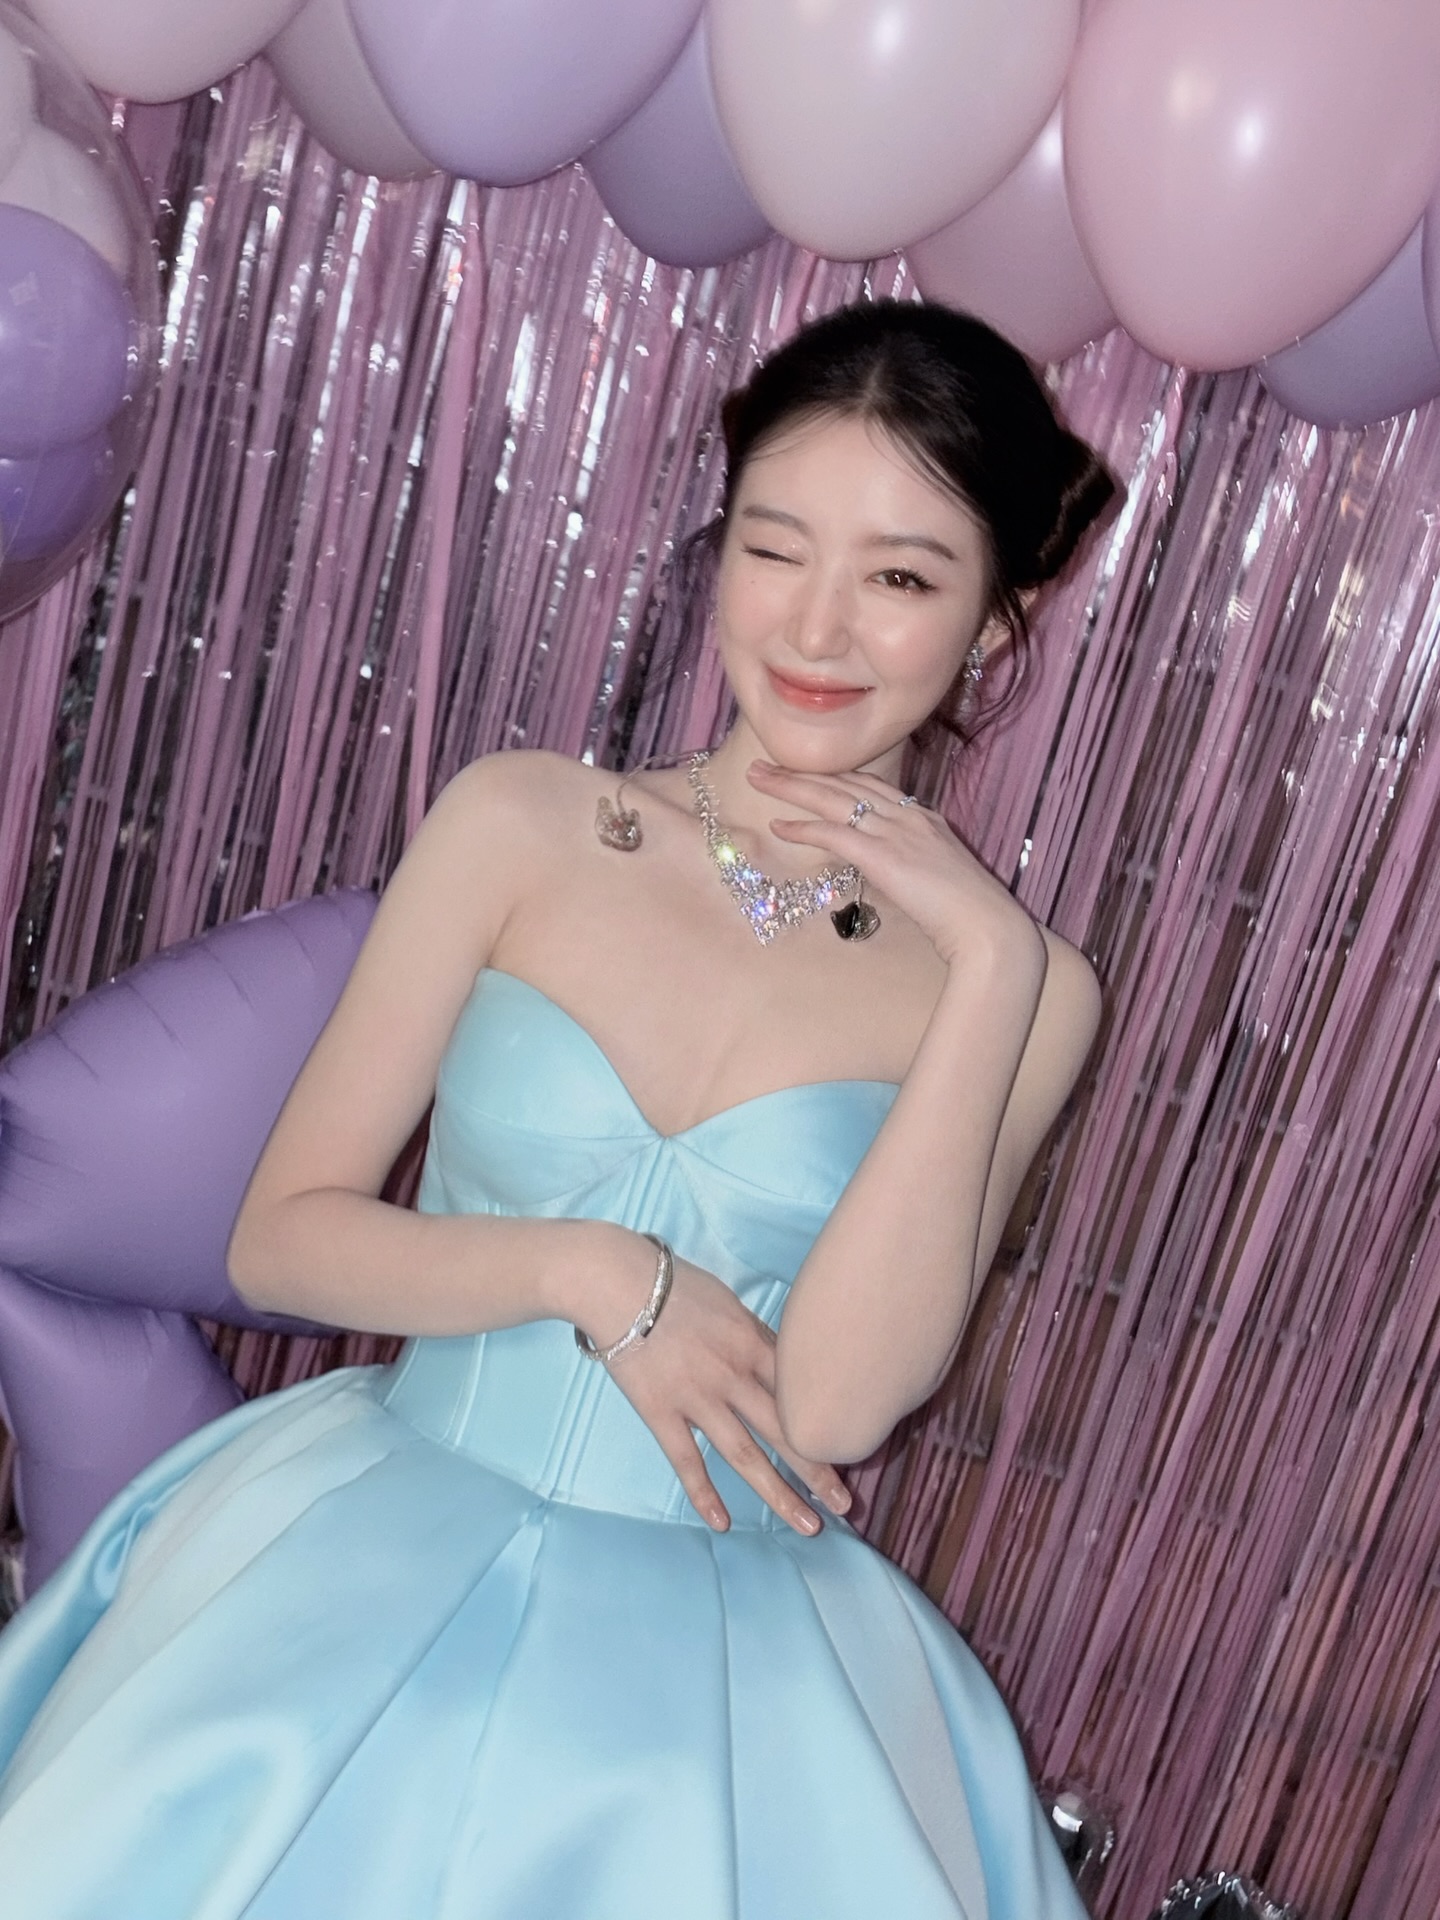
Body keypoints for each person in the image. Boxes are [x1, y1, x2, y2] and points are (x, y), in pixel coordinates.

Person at [0, 300, 1116, 1917]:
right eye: (774, 548)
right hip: (356, 1568)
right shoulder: (519, 823)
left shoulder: (1023, 986)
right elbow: (283, 1238)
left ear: (994, 626)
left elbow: (838, 1410)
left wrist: (992, 964)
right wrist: (595, 1272)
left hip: (704, 1698)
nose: (816, 628)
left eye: (899, 578)